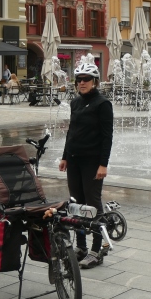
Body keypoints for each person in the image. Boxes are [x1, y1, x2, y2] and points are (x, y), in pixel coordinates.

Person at [59, 57, 113, 269]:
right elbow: (71, 132)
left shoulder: (103, 104)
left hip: (92, 162)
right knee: (75, 204)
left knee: (92, 205)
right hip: (74, 160)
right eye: (79, 79)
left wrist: (103, 164)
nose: (82, 82)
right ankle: (81, 246)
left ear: (95, 81)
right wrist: (64, 156)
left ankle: (96, 250)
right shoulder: (75, 102)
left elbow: (107, 136)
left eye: (86, 79)